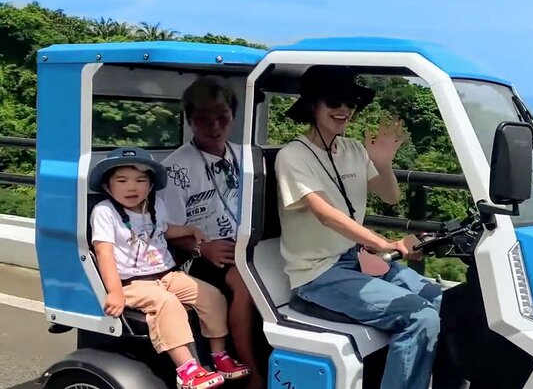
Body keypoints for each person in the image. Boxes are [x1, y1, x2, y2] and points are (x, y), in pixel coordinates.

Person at [275, 65, 444, 389]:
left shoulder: (352, 149)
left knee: (438, 299)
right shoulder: (293, 156)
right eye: (334, 101)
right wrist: (385, 243)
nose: (344, 110)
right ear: (313, 104)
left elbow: (390, 196)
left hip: (355, 261)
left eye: (350, 102)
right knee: (418, 316)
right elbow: (325, 213)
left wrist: (382, 163)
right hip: (317, 273)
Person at [88, 146, 250, 389]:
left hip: (166, 274)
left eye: (140, 180)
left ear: (151, 185)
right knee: (167, 303)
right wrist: (114, 292)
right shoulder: (105, 212)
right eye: (121, 180)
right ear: (107, 186)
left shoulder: (154, 206)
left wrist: (191, 230)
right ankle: (187, 370)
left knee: (212, 296)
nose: (132, 187)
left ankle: (219, 356)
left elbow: (166, 229)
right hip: (131, 283)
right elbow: (104, 253)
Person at [161, 77, 267, 389]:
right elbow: (167, 229)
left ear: (233, 116)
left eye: (222, 117)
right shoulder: (175, 169)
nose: (215, 126)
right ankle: (251, 370)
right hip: (197, 253)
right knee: (245, 282)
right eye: (204, 120)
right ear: (190, 121)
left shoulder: (246, 158)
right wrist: (202, 248)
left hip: (245, 245)